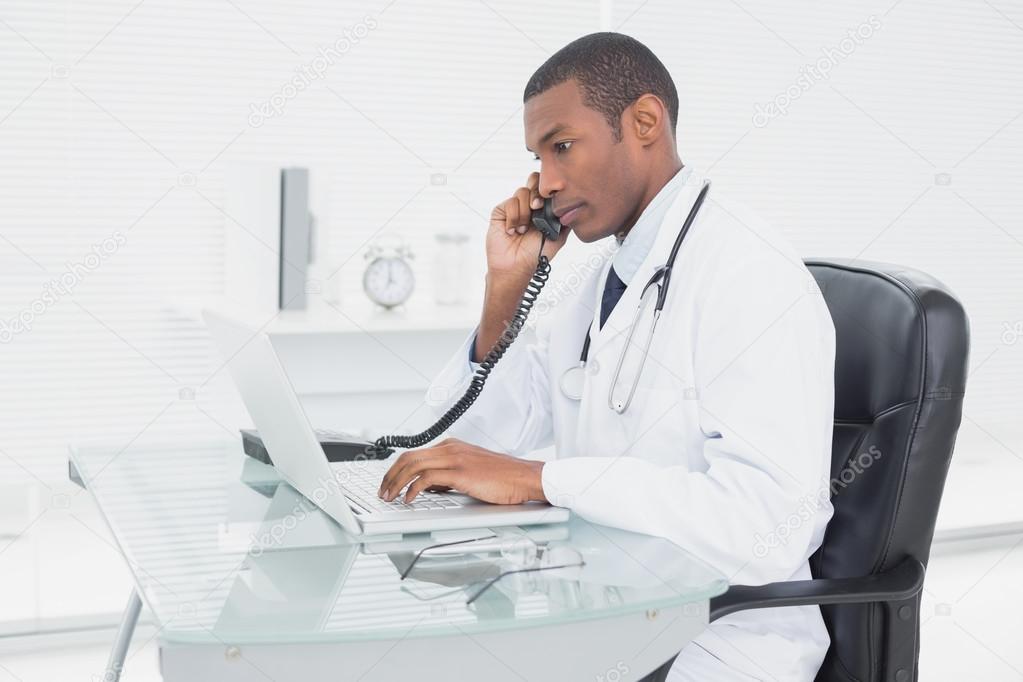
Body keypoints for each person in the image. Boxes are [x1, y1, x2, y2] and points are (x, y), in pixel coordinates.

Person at [378, 32, 836, 681]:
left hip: (717, 640)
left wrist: (543, 480)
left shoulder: (747, 272)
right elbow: (470, 443)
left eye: (561, 146)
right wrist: (505, 292)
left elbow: (765, 527)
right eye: (537, 156)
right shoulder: (605, 279)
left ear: (643, 122)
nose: (546, 181)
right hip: (611, 612)